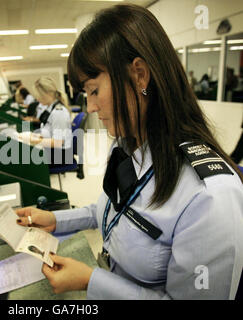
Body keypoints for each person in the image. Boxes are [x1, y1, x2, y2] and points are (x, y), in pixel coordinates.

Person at [15, 4, 243, 300]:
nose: (91, 108)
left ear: (139, 75)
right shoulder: (128, 145)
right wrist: (57, 220)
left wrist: (91, 282)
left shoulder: (209, 197)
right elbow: (114, 210)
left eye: (94, 90)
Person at [20, 76, 73, 167]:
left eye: (38, 95)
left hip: (60, 155)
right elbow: (49, 130)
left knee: (21, 159)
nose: (37, 98)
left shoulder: (58, 112)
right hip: (54, 151)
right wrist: (35, 136)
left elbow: (58, 142)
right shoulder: (50, 108)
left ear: (47, 93)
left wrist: (33, 141)